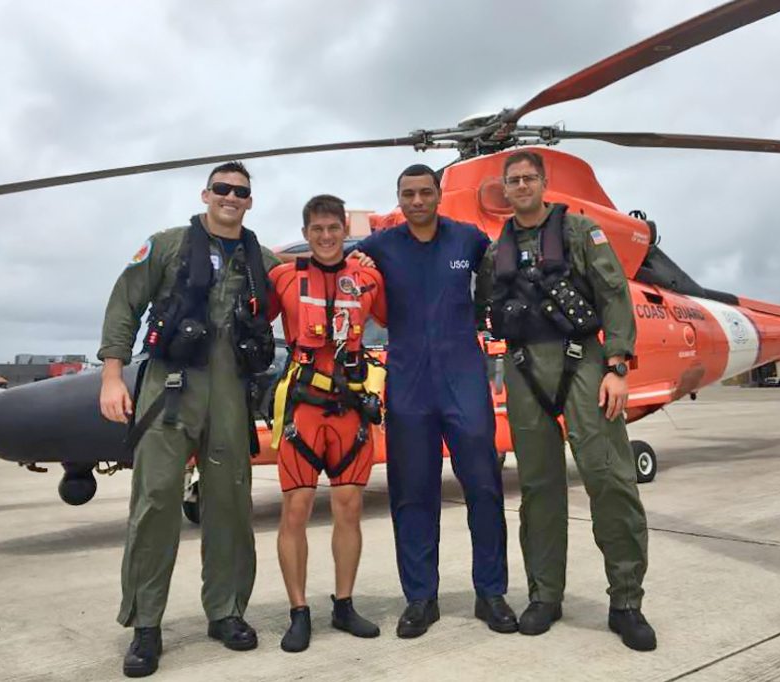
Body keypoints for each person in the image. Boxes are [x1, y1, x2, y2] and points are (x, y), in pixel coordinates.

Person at [98, 161, 279, 677]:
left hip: (231, 393)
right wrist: (112, 377)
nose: (230, 197)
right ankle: (146, 624)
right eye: (222, 189)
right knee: (155, 501)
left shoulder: (261, 260)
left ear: (250, 201)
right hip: (171, 389)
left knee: (230, 504)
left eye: (240, 192)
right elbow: (124, 305)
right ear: (206, 194)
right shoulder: (168, 245)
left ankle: (225, 612)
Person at [475, 150, 655, 651]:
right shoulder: (496, 250)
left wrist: (618, 365)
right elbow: (480, 305)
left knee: (609, 478)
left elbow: (615, 293)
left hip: (583, 362)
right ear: (504, 190)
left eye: (530, 178)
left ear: (544, 182)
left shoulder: (579, 233)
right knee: (537, 486)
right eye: (514, 180)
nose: (522, 186)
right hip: (523, 368)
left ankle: (626, 602)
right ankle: (545, 595)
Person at [353, 164, 516, 638]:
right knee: (412, 493)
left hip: (463, 376)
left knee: (484, 487)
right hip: (408, 383)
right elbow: (339, 269)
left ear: (439, 195)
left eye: (426, 192)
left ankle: (491, 592)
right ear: (399, 198)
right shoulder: (380, 246)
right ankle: (421, 598)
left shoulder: (468, 239)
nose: (418, 200)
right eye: (409, 194)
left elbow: (505, 271)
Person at [266, 194, 386, 652]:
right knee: (295, 510)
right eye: (316, 229)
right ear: (306, 231)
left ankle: (344, 604)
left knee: (348, 509)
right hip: (304, 409)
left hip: (351, 410)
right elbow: (252, 323)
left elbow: (399, 317)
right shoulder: (282, 275)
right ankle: (299, 611)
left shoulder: (369, 276)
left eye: (333, 227)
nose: (326, 236)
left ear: (343, 228)